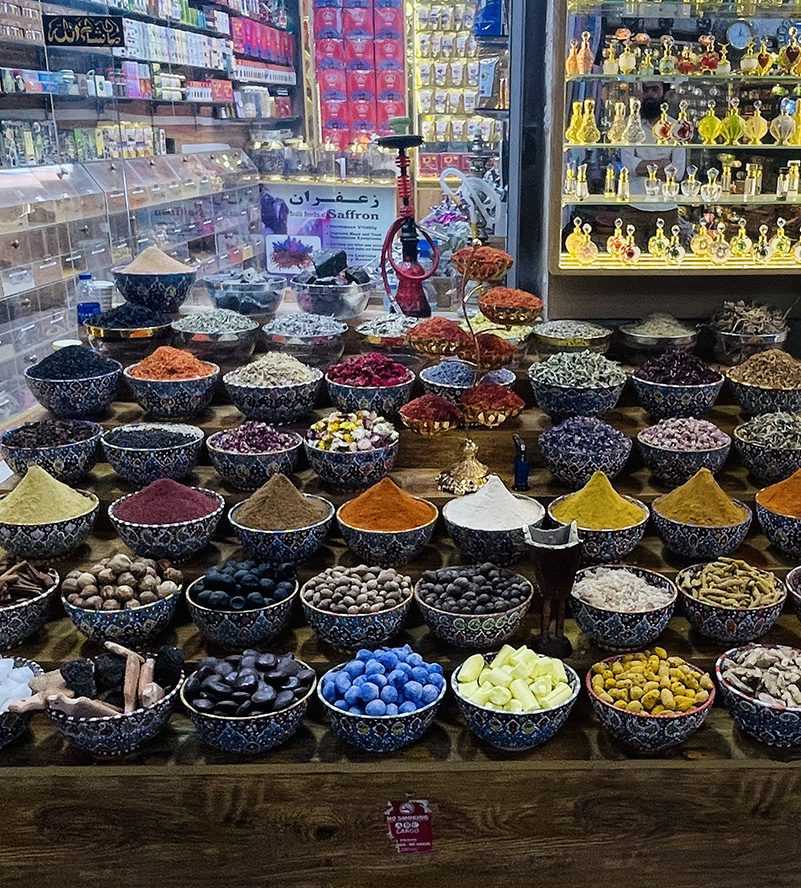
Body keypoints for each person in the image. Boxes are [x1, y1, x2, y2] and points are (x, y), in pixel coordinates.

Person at [619, 82, 686, 245]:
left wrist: (641, 166)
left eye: (655, 89)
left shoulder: (676, 127)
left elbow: (678, 173)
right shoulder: (629, 125)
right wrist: (662, 164)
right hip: (634, 207)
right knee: (629, 263)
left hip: (666, 208)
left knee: (664, 262)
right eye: (646, 89)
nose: (650, 94)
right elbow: (627, 166)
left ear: (664, 93)